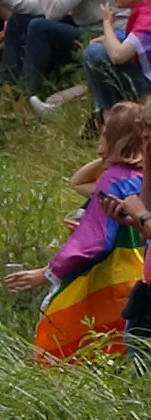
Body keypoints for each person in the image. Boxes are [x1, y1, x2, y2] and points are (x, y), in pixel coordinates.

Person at [23, 97, 151, 360]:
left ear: (118, 139)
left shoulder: (114, 180)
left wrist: (49, 272)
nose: (98, 147)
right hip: (137, 275)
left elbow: (95, 242)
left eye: (105, 136)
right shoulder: (140, 177)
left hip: (113, 285)